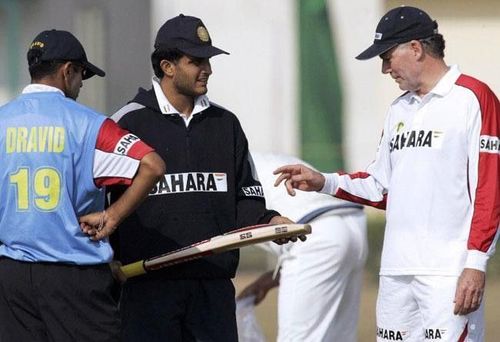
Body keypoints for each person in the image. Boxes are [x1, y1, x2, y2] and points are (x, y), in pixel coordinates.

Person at [274, 6, 500, 342]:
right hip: (395, 275)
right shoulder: (398, 108)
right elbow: (381, 187)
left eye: (386, 56)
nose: (384, 69)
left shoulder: (473, 98)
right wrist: (324, 181)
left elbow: (489, 189)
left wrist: (476, 263)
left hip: (447, 274)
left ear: (415, 48)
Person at [109, 14, 298, 342]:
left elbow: (245, 199)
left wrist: (269, 220)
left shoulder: (226, 124)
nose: (207, 69)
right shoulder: (125, 123)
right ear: (167, 66)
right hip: (147, 292)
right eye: (196, 61)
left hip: (213, 290)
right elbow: (102, 203)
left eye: (208, 60)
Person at [0, 29, 165, 341]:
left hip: (12, 277)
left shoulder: (2, 120)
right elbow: (152, 165)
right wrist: (113, 216)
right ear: (67, 71)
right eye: (81, 75)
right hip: (73, 277)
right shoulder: (89, 124)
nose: (80, 84)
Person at [237, 152, 368, 342]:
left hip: (316, 233)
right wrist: (279, 274)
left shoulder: (220, 170)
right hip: (353, 223)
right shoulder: (254, 155)